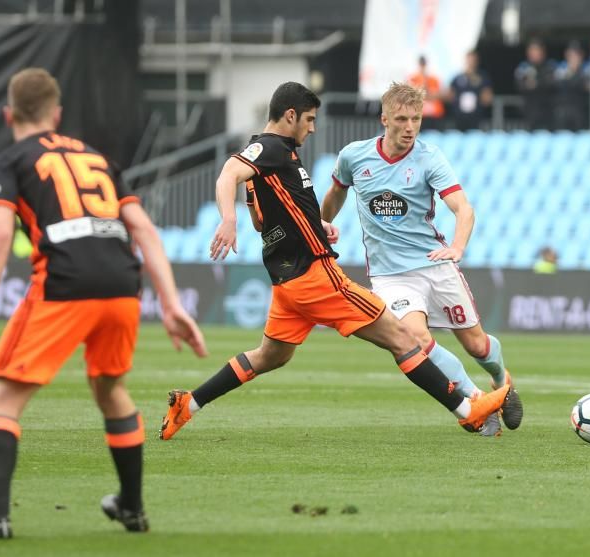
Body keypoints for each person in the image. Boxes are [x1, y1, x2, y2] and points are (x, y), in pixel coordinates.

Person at [159, 82, 519, 441]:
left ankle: (189, 404)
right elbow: (228, 174)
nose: (313, 127)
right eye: (309, 119)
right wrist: (227, 218)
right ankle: (469, 408)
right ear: (290, 116)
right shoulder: (270, 149)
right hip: (317, 276)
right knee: (404, 338)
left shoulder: (276, 159)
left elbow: (265, 219)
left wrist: (316, 226)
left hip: (287, 282)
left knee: (269, 356)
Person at [0, 68, 208, 539]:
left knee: (4, 399)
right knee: (110, 389)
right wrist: (170, 304)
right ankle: (131, 507)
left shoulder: (8, 160)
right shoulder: (96, 157)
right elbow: (144, 229)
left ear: (9, 114)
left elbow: (1, 232)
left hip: (65, 283)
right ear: (57, 114)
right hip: (122, 285)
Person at [320, 83, 523, 436]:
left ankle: (500, 379)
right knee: (416, 337)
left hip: (435, 264)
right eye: (401, 119)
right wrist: (321, 225)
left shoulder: (429, 157)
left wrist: (458, 247)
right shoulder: (354, 156)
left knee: (476, 344)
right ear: (384, 119)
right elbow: (335, 195)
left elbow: (463, 208)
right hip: (390, 275)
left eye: (416, 119)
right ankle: (475, 400)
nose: (410, 127)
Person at [514, 38, 557, 130]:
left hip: (548, 112)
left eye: (536, 50)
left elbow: (552, 84)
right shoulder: (523, 68)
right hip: (530, 112)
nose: (534, 53)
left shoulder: (550, 66)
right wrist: (539, 83)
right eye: (532, 50)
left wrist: (536, 83)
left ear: (543, 51)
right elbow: (521, 86)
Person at [448, 50, 493, 131]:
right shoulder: (458, 77)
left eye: (472, 60)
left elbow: (487, 98)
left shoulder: (482, 77)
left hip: (476, 117)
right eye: (469, 60)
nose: (470, 62)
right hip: (459, 116)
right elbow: (450, 95)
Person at [408, 56, 445, 129]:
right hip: (420, 114)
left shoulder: (433, 79)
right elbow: (412, 96)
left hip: (434, 114)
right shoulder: (413, 78)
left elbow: (437, 95)